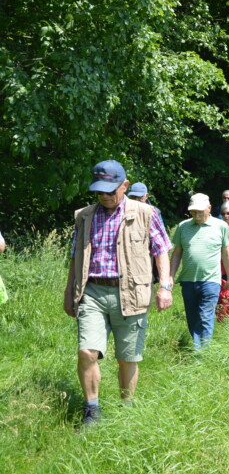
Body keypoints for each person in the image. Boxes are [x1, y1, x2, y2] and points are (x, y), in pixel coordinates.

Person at [63, 160, 173, 425]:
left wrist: (165, 287)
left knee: (127, 357)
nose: (105, 197)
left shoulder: (146, 213)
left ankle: (127, 410)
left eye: (110, 191)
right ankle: (92, 409)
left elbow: (161, 251)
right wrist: (69, 293)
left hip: (132, 293)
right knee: (87, 352)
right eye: (100, 191)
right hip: (92, 292)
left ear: (125, 186)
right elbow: (76, 257)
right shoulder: (85, 215)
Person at [170, 193, 229, 349]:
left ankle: (202, 353)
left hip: (211, 280)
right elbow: (177, 253)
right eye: (193, 212)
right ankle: (198, 344)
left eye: (200, 211)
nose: (196, 215)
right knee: (192, 318)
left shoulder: (221, 226)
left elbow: (226, 253)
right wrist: (170, 276)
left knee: (205, 316)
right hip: (188, 280)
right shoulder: (183, 226)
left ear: (209, 208)